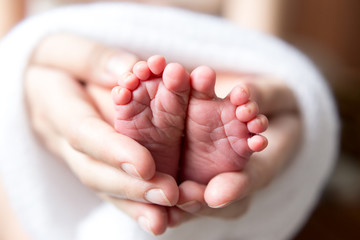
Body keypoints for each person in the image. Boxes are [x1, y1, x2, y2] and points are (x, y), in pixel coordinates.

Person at [0, 2, 338, 239]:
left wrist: (260, 94)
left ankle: (163, 135)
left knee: (230, 90)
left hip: (201, 63)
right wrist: (25, 66)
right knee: (94, 86)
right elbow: (10, 43)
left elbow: (259, 51)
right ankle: (157, 131)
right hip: (87, 61)